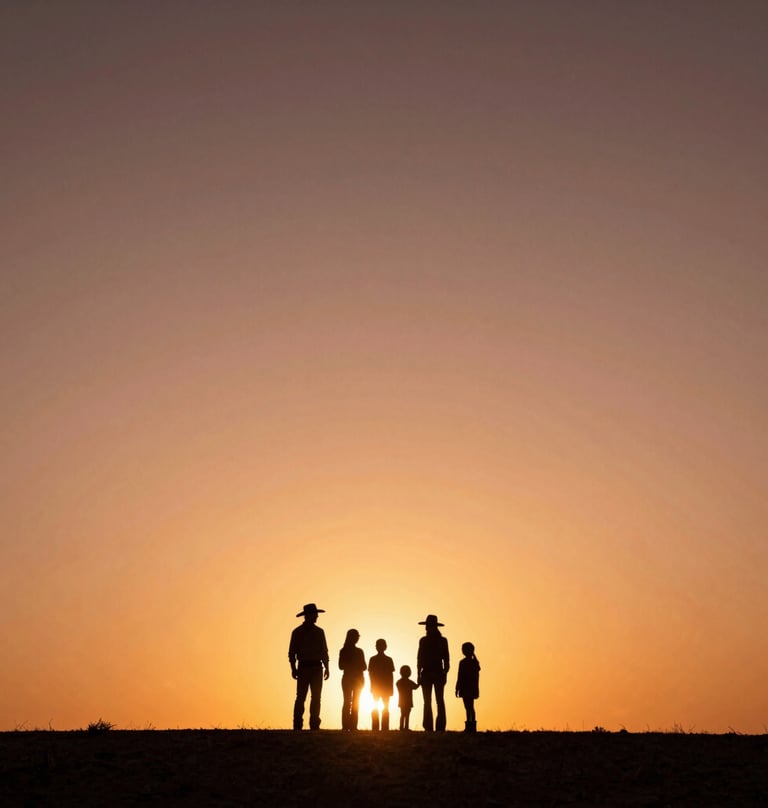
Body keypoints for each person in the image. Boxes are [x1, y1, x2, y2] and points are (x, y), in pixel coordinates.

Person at [288, 603, 329, 730]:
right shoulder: (298, 632)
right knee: (302, 697)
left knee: (314, 697)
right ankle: (299, 724)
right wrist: (293, 668)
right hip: (306, 667)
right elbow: (292, 652)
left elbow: (324, 652)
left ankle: (312, 724)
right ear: (309, 616)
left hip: (315, 667)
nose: (317, 617)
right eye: (315, 614)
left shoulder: (318, 632)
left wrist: (327, 666)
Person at [417, 614, 450, 731]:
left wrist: (445, 673)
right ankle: (432, 726)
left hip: (433, 673)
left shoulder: (439, 641)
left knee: (435, 701)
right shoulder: (427, 641)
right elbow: (419, 659)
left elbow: (446, 659)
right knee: (434, 701)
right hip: (430, 673)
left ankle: (433, 726)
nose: (427, 628)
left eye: (428, 626)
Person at [338, 629, 367, 730]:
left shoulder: (358, 651)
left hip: (356, 680)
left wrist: (352, 667)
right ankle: (347, 726)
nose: (357, 638)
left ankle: (352, 726)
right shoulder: (345, 651)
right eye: (356, 636)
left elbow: (364, 666)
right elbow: (341, 666)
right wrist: (354, 666)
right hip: (350, 679)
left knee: (352, 702)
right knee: (348, 702)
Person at [368, 638, 395, 731]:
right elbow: (390, 675)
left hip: (379, 687)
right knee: (384, 706)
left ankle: (378, 727)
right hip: (382, 687)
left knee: (380, 706)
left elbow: (371, 674)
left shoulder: (374, 659)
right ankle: (384, 727)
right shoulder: (388, 659)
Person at [455, 641, 481, 732]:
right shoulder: (475, 663)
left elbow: (460, 676)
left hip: (466, 687)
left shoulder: (463, 662)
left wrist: (457, 687)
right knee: (470, 707)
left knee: (468, 707)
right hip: (471, 688)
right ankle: (471, 725)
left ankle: (470, 725)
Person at [396, 664, 420, 730]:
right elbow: (416, 687)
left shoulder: (399, 682)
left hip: (402, 701)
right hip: (408, 701)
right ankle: (405, 727)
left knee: (403, 714)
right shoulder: (409, 682)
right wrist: (420, 682)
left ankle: (402, 727)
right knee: (407, 715)